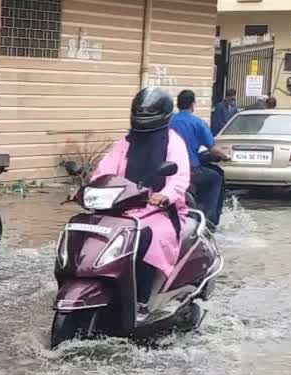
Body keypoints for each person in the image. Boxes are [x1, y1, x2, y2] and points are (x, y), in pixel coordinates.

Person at [92, 87, 191, 314]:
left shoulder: (173, 142)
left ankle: (142, 297)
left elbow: (179, 177)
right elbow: (104, 170)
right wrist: (91, 187)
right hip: (122, 206)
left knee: (148, 236)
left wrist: (165, 195)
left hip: (161, 210)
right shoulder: (125, 142)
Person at [169, 89, 228, 227]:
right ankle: (210, 220)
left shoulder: (169, 121)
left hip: (169, 170)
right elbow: (213, 151)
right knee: (216, 178)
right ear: (192, 104)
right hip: (191, 171)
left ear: (178, 104)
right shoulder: (198, 123)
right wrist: (225, 157)